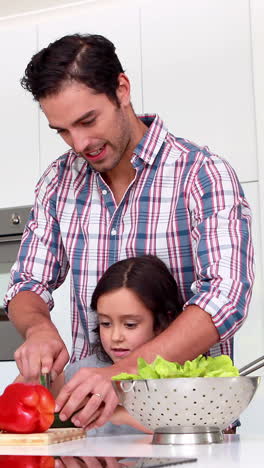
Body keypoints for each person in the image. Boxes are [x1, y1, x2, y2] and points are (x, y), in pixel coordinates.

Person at [4, 33, 254, 432]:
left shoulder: (201, 174)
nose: (80, 143)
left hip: (182, 429)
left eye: (88, 121)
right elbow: (27, 283)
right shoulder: (58, 181)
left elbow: (225, 298)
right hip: (87, 427)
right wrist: (38, 329)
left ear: (122, 90)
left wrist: (120, 373)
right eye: (63, 131)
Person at [52, 254, 182, 434]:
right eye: (105, 323)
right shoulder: (84, 373)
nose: (115, 337)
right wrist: (37, 370)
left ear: (162, 322)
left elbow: (188, 433)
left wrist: (117, 412)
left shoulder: (183, 377)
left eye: (130, 325)